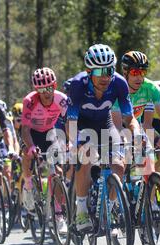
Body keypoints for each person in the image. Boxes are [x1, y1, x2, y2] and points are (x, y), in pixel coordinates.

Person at [67, 44, 141, 232]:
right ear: (89, 71)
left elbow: (128, 118)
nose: (105, 76)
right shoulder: (78, 85)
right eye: (99, 71)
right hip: (82, 124)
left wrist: (137, 135)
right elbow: (71, 122)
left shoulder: (119, 83)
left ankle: (111, 206)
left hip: (104, 122)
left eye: (109, 70)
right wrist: (75, 143)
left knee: (119, 165)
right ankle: (82, 209)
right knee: (87, 155)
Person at [20, 67, 68, 232]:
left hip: (50, 133)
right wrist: (31, 146)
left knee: (58, 173)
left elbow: (70, 123)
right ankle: (27, 186)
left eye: (49, 88)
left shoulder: (61, 99)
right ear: (36, 90)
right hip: (32, 134)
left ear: (54, 85)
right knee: (26, 155)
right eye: (41, 89)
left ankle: (58, 214)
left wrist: (71, 141)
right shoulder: (29, 101)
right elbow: (24, 129)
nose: (46, 92)